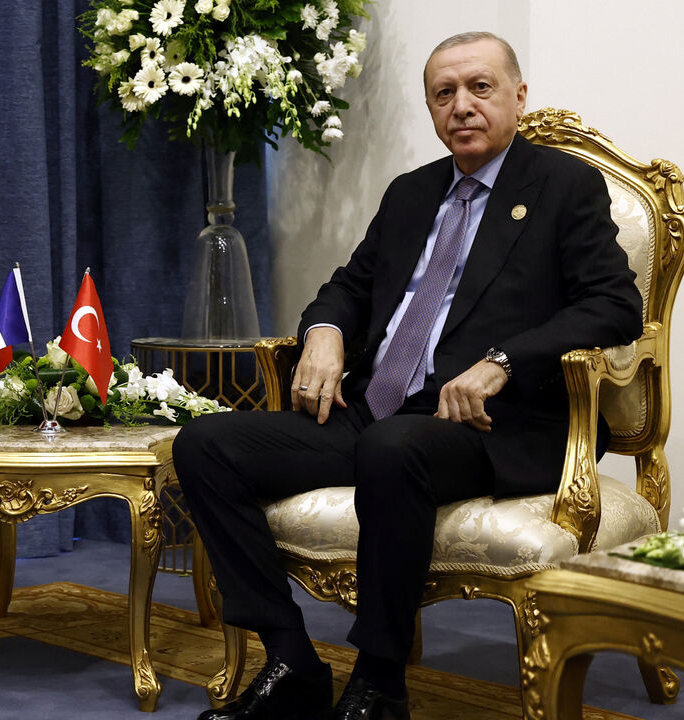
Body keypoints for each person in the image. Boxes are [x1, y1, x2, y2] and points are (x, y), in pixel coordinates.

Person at [174, 32, 643, 720]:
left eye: (480, 87)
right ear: (430, 107)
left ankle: (379, 681)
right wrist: (325, 334)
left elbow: (615, 305)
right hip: (377, 412)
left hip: (491, 428)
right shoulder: (412, 192)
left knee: (391, 450)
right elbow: (347, 287)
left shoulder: (563, 187)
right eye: (443, 93)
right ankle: (290, 659)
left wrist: (503, 362)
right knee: (205, 445)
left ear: (518, 95)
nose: (462, 106)